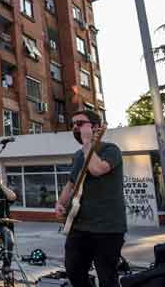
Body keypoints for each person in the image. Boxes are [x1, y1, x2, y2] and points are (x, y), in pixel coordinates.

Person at [55, 109, 126, 287]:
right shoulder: (78, 155)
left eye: (80, 123)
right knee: (73, 271)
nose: (75, 128)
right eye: (73, 124)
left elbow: (97, 169)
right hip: (78, 226)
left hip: (107, 227)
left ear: (95, 127)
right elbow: (71, 184)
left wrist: (88, 142)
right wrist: (60, 203)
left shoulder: (111, 149)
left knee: (107, 277)